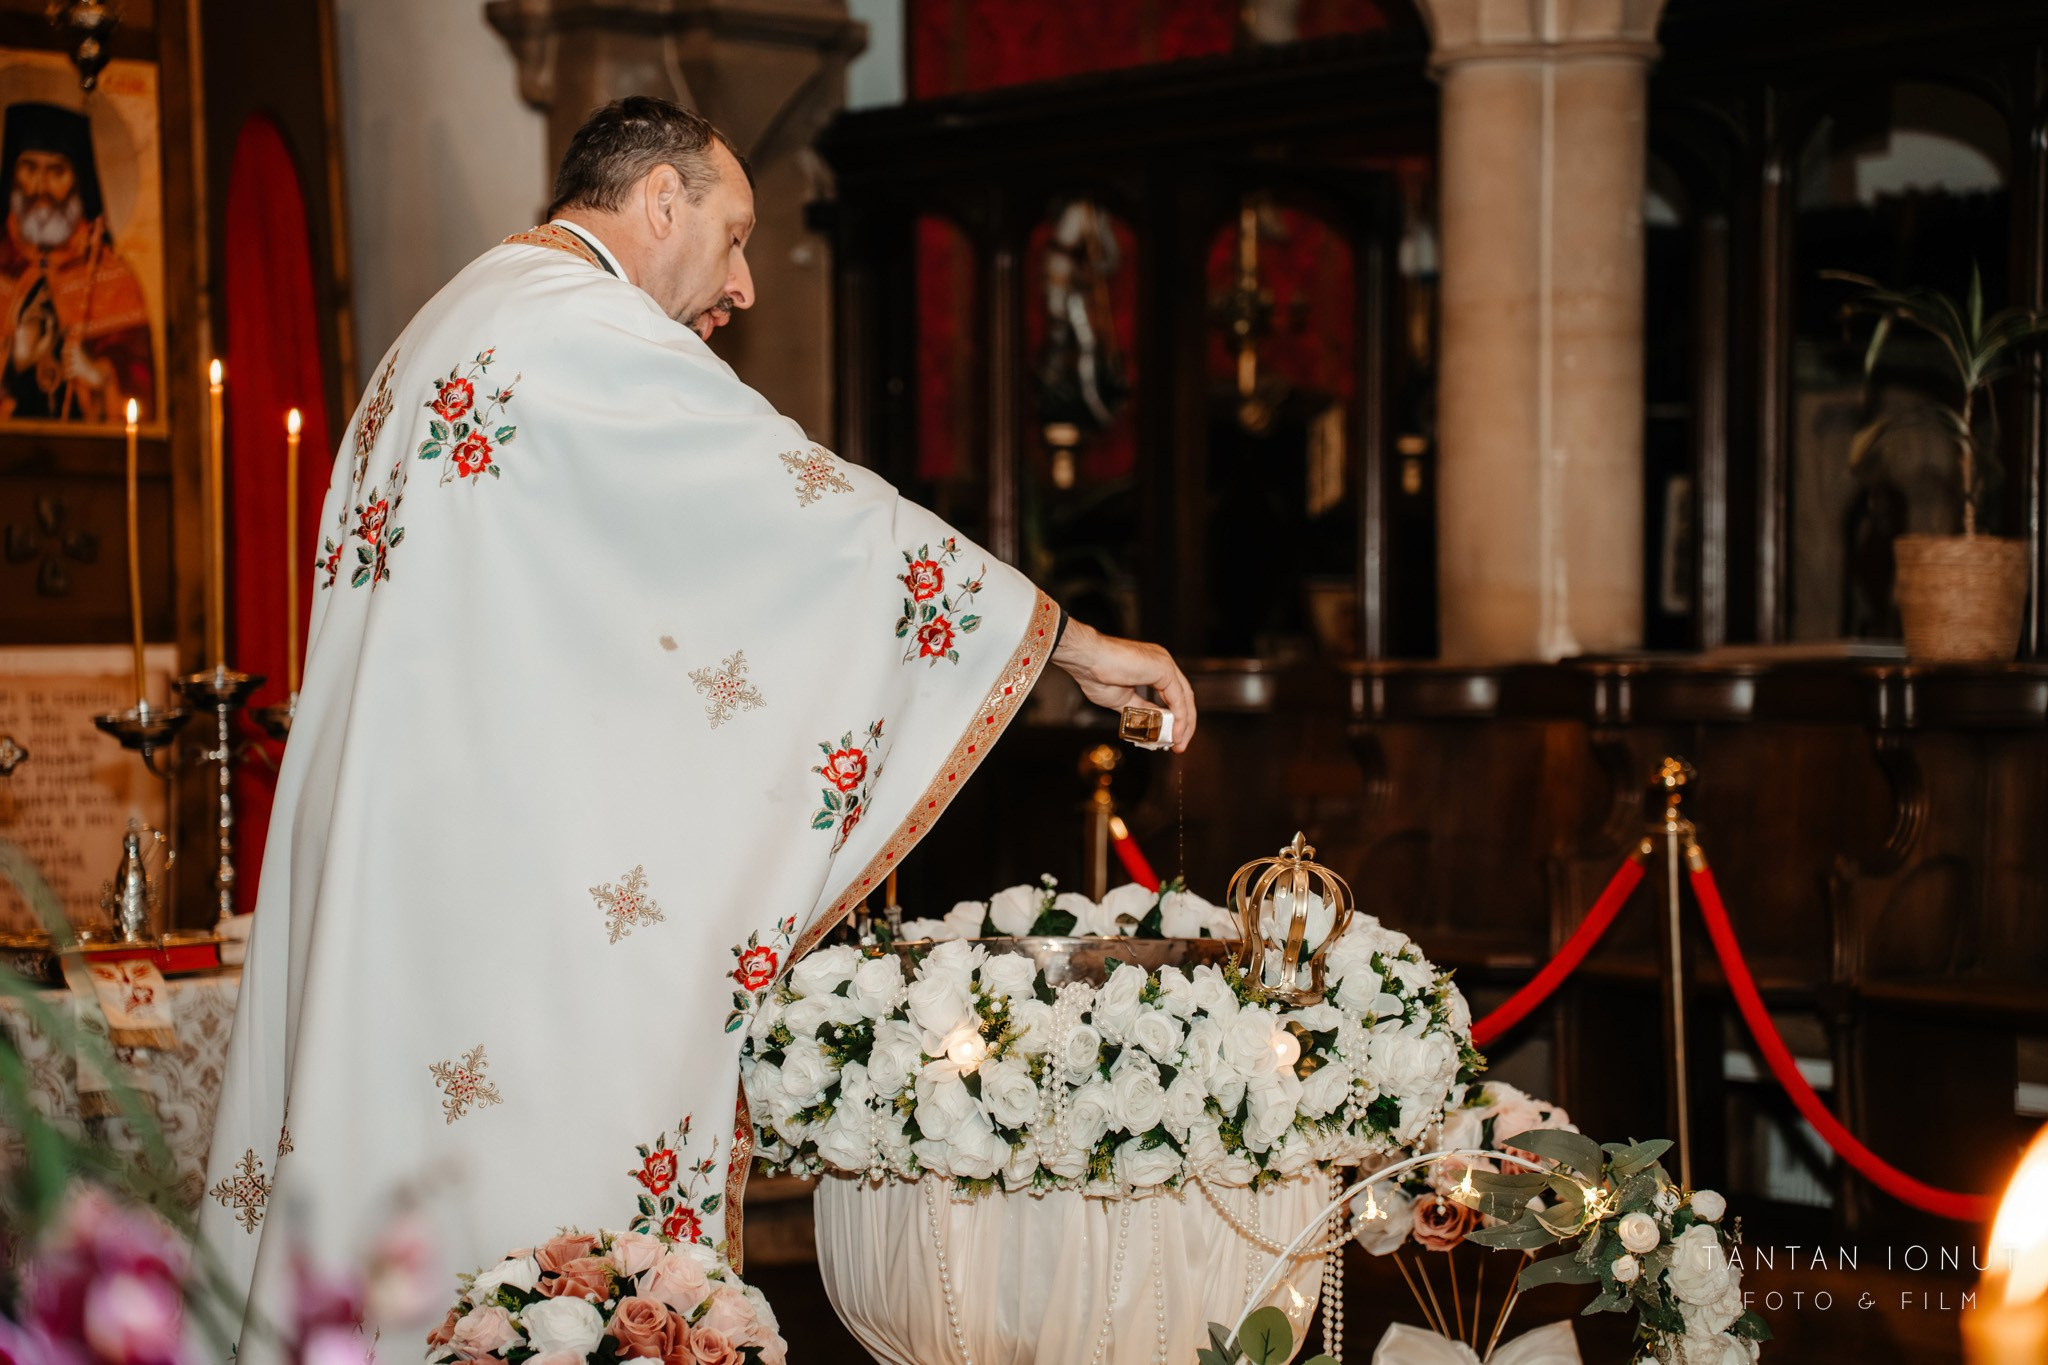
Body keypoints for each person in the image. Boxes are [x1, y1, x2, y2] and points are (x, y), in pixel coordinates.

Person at [199, 95, 1195, 1356]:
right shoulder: (579, 326)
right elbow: (817, 516)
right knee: (523, 1232)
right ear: (658, 201)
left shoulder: (459, 315)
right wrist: (1074, 643)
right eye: (732, 237)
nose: (741, 287)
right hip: (500, 920)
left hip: (403, 877)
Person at [0, 102, 153, 423]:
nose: (40, 188)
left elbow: (140, 392)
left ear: (79, 180)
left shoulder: (111, 277)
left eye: (56, 171)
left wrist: (97, 374)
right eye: (29, 168)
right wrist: (15, 362)